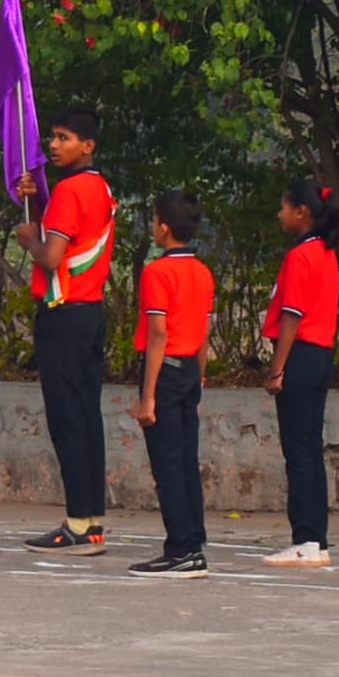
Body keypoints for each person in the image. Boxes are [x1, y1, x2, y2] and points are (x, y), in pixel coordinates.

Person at [21, 112, 118, 554]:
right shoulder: (100, 187)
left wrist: (28, 237)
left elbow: (51, 256)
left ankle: (78, 523)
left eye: (65, 138)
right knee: (86, 417)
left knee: (67, 420)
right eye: (52, 137)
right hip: (91, 310)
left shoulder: (69, 189)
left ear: (89, 145)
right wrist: (38, 209)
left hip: (63, 313)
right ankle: (91, 518)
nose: (54, 145)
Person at [129, 191, 217, 577]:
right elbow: (204, 332)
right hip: (189, 371)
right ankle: (192, 542)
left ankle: (179, 547)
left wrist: (147, 396)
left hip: (164, 371)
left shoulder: (157, 272)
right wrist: (199, 377)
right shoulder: (202, 272)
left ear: (163, 227)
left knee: (167, 463)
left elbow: (158, 334)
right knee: (184, 460)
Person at [261, 180, 339, 565]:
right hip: (321, 354)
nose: (279, 214)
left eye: (284, 207)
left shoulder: (301, 256)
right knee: (309, 447)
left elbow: (292, 315)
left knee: (298, 451)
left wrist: (277, 368)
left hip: (301, 354)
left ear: (302, 213)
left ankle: (306, 538)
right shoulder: (327, 253)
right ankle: (315, 538)